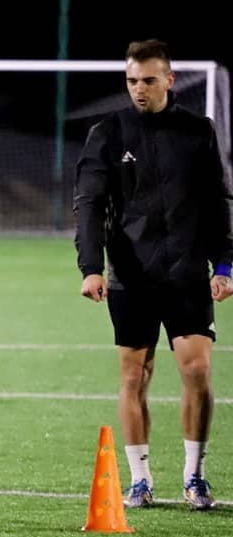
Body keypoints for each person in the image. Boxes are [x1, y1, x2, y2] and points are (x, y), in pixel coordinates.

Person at [74, 39, 233, 511]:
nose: (138, 89)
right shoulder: (108, 134)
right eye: (131, 81)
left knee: (197, 371)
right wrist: (90, 267)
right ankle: (140, 479)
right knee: (134, 375)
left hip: (186, 272)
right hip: (131, 276)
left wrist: (225, 264)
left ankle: (194, 475)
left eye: (147, 80)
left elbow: (217, 202)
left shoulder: (197, 131)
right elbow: (89, 204)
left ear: (168, 80)